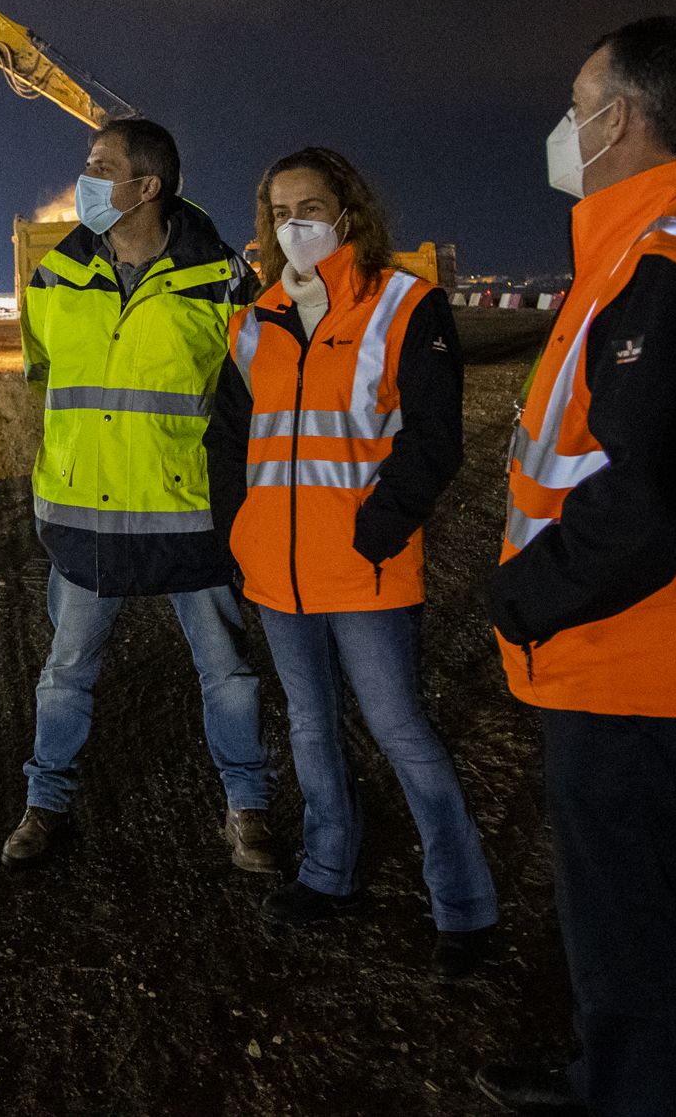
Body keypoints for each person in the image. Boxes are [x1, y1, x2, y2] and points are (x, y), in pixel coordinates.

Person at [476, 18, 676, 1117]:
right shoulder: (662, 238)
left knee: (637, 930)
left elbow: (648, 500)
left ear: (619, 116)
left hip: (647, 660)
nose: (564, 124)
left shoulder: (666, 259)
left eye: (576, 100)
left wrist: (522, 594)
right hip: (644, 649)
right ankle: (605, 1080)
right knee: (617, 916)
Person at [205, 147, 497, 977]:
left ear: (347, 211)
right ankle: (328, 873)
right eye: (279, 210)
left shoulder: (406, 304)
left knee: (401, 729)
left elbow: (435, 440)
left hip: (365, 570)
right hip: (278, 572)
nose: (294, 223)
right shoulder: (254, 319)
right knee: (307, 724)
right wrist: (241, 529)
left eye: (310, 205)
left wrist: (377, 530)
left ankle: (465, 905)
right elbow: (228, 441)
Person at [2, 117, 275, 872]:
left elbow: (252, 399)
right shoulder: (55, 275)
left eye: (99, 165)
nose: (85, 178)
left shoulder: (220, 281)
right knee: (64, 674)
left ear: (146, 186)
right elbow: (43, 378)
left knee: (227, 673)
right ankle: (44, 805)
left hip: (191, 520)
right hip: (83, 518)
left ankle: (249, 809)